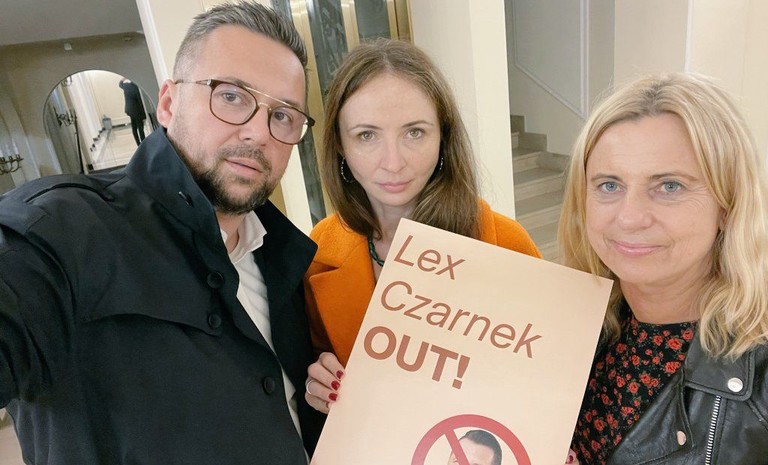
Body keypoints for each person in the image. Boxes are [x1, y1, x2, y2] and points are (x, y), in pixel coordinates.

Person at [0, 2, 325, 464]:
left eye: (283, 115)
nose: (259, 133)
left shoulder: (282, 257)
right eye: (231, 96)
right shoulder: (64, 230)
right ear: (169, 103)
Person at [301, 39, 541, 413]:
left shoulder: (506, 243)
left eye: (414, 132)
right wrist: (318, 383)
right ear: (340, 147)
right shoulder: (319, 250)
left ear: (443, 137)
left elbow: (546, 376)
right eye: (367, 135)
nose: (393, 162)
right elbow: (317, 358)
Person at [559, 73, 768, 464]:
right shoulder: (573, 327)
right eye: (609, 185)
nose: (630, 217)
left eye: (669, 186)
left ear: (728, 205)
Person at [119, 77, 147, 145]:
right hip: (137, 110)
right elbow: (140, 102)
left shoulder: (126, 86)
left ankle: (138, 143)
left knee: (134, 127)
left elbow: (120, 84)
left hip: (129, 110)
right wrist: (144, 115)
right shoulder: (136, 88)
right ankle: (143, 142)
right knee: (140, 128)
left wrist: (123, 78)